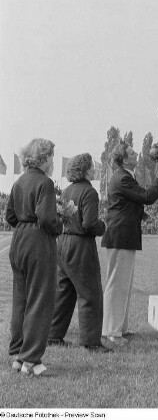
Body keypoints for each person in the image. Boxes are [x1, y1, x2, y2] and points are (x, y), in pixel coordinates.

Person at [101, 141, 158, 345]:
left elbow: (133, 202)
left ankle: (119, 328)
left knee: (123, 284)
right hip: (121, 236)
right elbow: (147, 196)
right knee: (117, 284)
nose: (136, 153)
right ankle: (112, 331)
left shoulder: (125, 177)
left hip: (124, 235)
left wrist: (140, 213)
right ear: (123, 159)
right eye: (131, 152)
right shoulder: (122, 178)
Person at [6, 138, 62, 377]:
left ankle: (18, 355)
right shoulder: (45, 183)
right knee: (40, 298)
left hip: (18, 239)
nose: (52, 162)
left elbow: (9, 215)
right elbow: (48, 218)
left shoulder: (19, 182)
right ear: (44, 158)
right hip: (38, 240)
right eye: (51, 157)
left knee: (21, 298)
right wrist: (60, 223)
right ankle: (31, 360)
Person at [48, 153, 112, 352]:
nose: (95, 169)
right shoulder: (89, 192)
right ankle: (91, 342)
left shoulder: (67, 190)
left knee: (64, 292)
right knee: (90, 294)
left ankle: (53, 335)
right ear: (86, 171)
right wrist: (103, 227)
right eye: (92, 167)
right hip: (81, 245)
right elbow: (89, 223)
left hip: (62, 243)